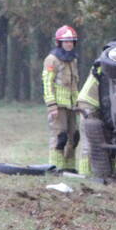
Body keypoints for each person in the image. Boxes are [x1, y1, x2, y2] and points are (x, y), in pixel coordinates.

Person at [43, 25, 81, 172]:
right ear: (59, 43)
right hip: (58, 106)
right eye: (66, 41)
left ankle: (69, 168)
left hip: (72, 105)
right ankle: (56, 168)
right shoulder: (51, 59)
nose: (69, 44)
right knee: (60, 137)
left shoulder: (73, 60)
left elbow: (74, 84)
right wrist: (51, 105)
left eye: (71, 41)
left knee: (74, 137)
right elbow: (47, 83)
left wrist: (78, 103)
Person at [75, 64, 114, 179]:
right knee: (88, 141)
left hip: (95, 103)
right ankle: (85, 174)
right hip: (89, 103)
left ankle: (107, 173)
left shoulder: (104, 62)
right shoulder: (108, 65)